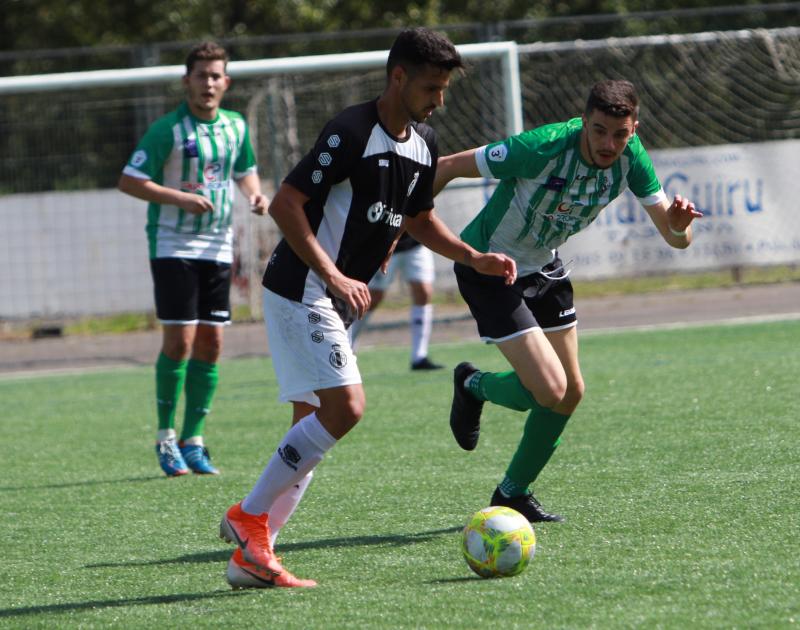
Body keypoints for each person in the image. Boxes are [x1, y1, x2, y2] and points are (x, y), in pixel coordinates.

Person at [218, 27, 517, 589]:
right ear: (398, 77)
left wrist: (472, 257)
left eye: (444, 88)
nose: (439, 100)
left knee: (313, 427)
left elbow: (417, 218)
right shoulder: (350, 132)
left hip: (334, 296)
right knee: (346, 409)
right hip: (301, 287)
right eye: (431, 87)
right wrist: (331, 272)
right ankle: (248, 517)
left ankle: (254, 555)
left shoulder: (424, 144)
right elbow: (286, 202)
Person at [434, 79, 702, 523]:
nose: (608, 144)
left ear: (634, 129)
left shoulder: (632, 159)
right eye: (598, 131)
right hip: (490, 269)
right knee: (550, 389)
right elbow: (446, 166)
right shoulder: (541, 147)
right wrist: (403, 224)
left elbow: (678, 240)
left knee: (569, 392)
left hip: (544, 268)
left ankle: (512, 494)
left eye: (620, 134)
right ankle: (472, 385)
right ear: (584, 122)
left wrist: (678, 226)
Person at [118, 42, 268, 478]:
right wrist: (179, 199)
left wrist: (255, 194)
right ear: (187, 80)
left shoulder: (236, 126)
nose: (208, 83)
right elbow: (130, 180)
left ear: (226, 82)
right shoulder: (167, 129)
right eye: (200, 75)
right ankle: (165, 437)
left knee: (213, 343)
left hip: (219, 245)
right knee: (179, 342)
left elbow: (245, 170)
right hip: (172, 244)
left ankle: (194, 439)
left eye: (215, 75)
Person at [348, 233, 444, 370]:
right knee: (372, 297)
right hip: (384, 244)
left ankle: (419, 356)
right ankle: (347, 344)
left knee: (424, 291)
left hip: (416, 241)